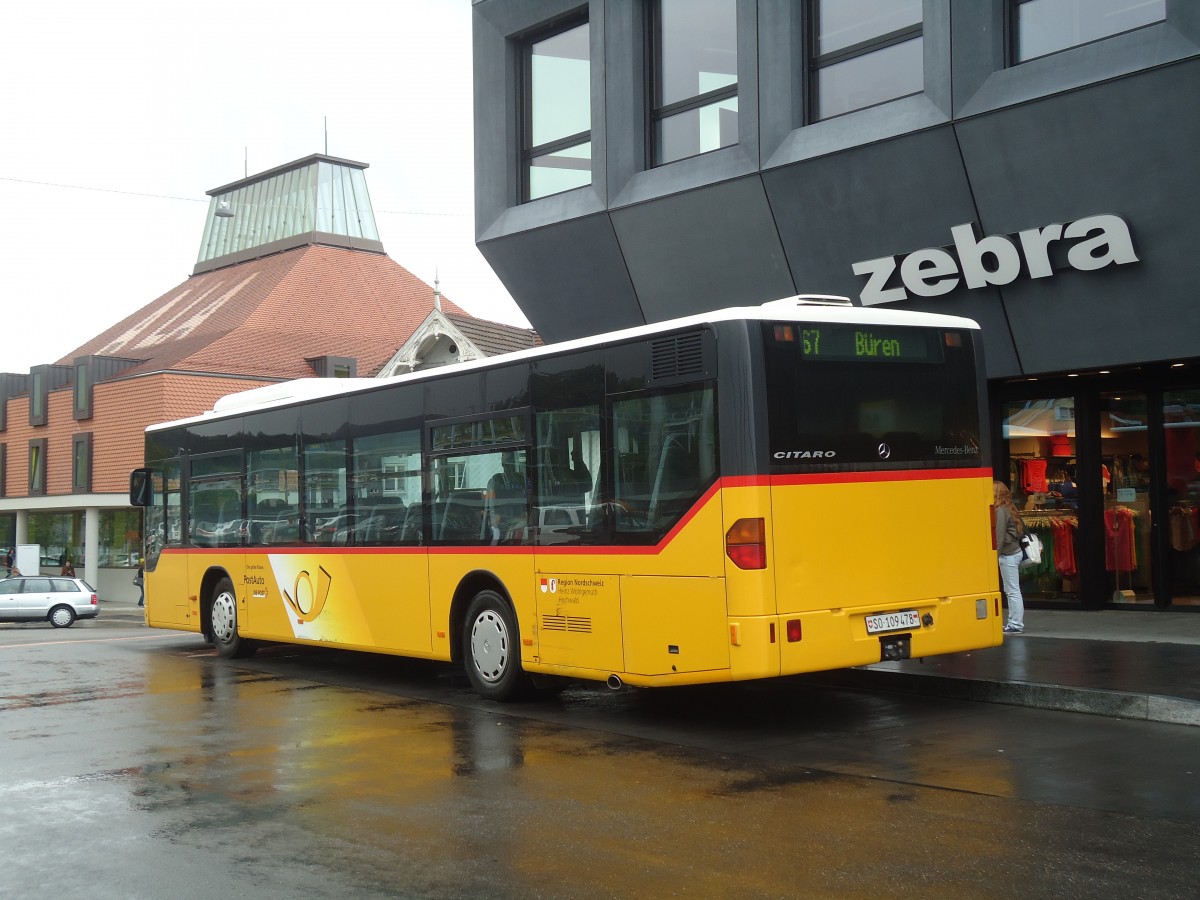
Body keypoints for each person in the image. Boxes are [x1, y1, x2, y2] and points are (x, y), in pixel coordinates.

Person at [993, 481, 1026, 634]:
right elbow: (1018, 532)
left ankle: (1015, 624)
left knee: (1012, 590)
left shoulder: (1000, 511)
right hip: (1014, 552)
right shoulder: (1010, 508)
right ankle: (1013, 622)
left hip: (1008, 555)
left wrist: (994, 558)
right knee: (1012, 590)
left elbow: (998, 538)